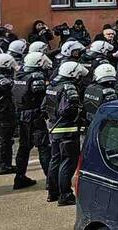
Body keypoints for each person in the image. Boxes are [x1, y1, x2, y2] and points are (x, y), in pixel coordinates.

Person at [43, 60, 86, 206]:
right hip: (67, 130)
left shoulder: (52, 85)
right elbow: (68, 110)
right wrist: (79, 112)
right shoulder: (69, 87)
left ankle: (52, 193)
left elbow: (44, 107)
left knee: (55, 159)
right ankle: (65, 195)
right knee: (68, 162)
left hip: (53, 129)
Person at [11, 52, 51, 190]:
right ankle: (50, 181)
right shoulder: (36, 77)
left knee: (23, 148)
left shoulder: (19, 74)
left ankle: (19, 177)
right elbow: (42, 95)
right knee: (44, 147)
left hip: (21, 116)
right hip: (35, 116)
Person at [0, 53, 17, 174]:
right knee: (6, 139)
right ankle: (5, 165)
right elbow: (13, 87)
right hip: (2, 112)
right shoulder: (2, 80)